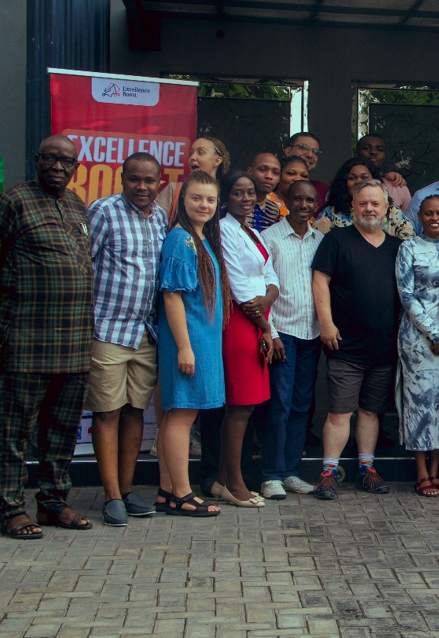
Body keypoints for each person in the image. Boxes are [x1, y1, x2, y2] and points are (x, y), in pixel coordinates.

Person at [0, 135, 95, 538]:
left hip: (74, 342)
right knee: (13, 430)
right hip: (26, 339)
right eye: (51, 159)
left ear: (76, 168)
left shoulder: (76, 205)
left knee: (62, 430)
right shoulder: (13, 201)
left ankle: (53, 502)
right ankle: (10, 509)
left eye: (66, 161)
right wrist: (12, 304)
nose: (58, 167)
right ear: (37, 159)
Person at [84, 152, 168, 526]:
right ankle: (111, 496)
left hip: (145, 332)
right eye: (135, 179)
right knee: (107, 411)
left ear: (159, 182)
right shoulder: (103, 212)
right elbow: (85, 265)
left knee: (135, 410)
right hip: (108, 330)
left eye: (149, 180)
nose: (142, 186)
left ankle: (128, 488)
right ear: (122, 179)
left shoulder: (161, 218)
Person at [311, 179, 402, 500]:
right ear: (353, 207)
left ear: (387, 208)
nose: (369, 209)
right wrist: (326, 323)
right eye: (363, 203)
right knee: (339, 412)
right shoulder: (336, 240)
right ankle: (328, 473)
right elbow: (320, 280)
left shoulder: (397, 247)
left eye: (375, 204)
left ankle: (367, 469)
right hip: (345, 345)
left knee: (370, 412)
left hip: (384, 347)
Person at [155, 170, 227, 518]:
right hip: (189, 340)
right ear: (182, 199)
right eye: (196, 198)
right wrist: (184, 346)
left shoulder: (200, 238)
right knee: (182, 415)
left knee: (180, 414)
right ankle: (182, 493)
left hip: (202, 340)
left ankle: (166, 491)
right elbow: (172, 295)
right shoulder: (181, 240)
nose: (204, 205)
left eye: (210, 199)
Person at [217, 170, 279, 508]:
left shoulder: (253, 232)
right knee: (240, 406)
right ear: (225, 197)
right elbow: (238, 285)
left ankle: (222, 479)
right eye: (238, 193)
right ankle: (234, 483)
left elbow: (271, 275)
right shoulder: (223, 230)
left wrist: (268, 300)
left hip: (259, 318)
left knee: (249, 405)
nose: (246, 198)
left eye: (250, 192)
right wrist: (264, 326)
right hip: (242, 322)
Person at [395, 195, 439, 497]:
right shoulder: (408, 247)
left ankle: (437, 473)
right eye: (428, 213)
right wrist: (434, 333)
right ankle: (421, 473)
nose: (434, 218)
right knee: (420, 403)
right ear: (419, 217)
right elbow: (406, 295)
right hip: (417, 338)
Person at [259, 180, 323, 500]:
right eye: (297, 199)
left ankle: (291, 472)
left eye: (309, 200)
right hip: (282, 333)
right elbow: (261, 286)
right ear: (288, 201)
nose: (303, 205)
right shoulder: (269, 238)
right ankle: (271, 475)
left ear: (316, 205)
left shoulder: (321, 241)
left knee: (301, 405)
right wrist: (270, 333)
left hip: (312, 333)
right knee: (279, 405)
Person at [315, 157, 415, 239]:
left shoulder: (392, 211)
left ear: (374, 181)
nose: (358, 181)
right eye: (352, 178)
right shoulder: (331, 213)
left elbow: (410, 243)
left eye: (364, 178)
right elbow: (317, 244)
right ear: (344, 183)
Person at [156, 137, 230, 217]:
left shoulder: (227, 194)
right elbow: (155, 219)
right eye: (191, 153)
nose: (192, 157)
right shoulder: (174, 189)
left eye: (201, 153)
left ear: (217, 161)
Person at [355, 133, 411, 211]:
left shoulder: (398, 187)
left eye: (379, 149)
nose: (373, 152)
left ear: (385, 156)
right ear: (356, 154)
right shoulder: (349, 185)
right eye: (366, 148)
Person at [283, 132, 329, 208]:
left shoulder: (323, 191)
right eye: (304, 148)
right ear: (288, 151)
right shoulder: (268, 187)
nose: (310, 155)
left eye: (315, 152)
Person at [247, 152, 282, 231]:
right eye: (262, 169)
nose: (269, 176)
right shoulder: (234, 203)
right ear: (249, 171)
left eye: (275, 173)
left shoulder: (274, 210)